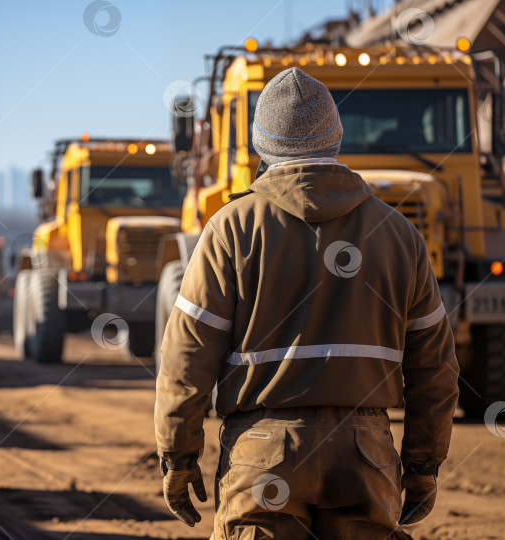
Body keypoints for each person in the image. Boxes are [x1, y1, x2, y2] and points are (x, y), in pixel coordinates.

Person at [154, 67, 459, 539]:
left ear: (261, 145)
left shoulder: (229, 230)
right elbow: (436, 367)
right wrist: (423, 463)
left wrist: (178, 455)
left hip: (261, 454)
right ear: (336, 138)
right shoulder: (399, 234)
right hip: (367, 455)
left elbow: (186, 356)